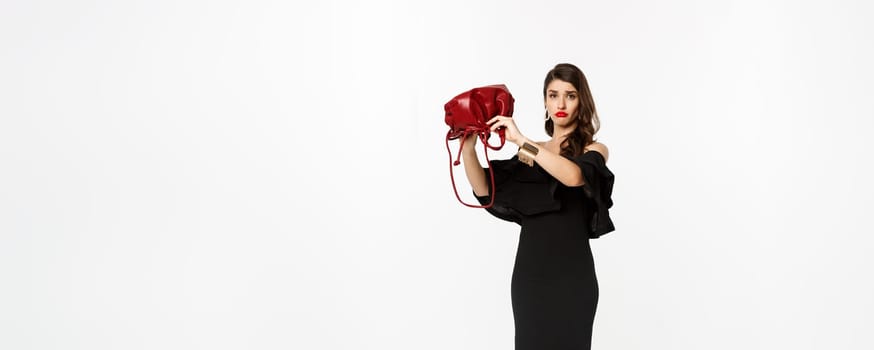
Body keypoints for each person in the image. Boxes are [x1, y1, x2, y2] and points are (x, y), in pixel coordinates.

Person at [459, 63, 615, 349]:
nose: (561, 103)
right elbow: (484, 189)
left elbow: (574, 176)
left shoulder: (594, 149)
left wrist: (522, 141)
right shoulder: (532, 151)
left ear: (582, 101)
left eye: (570, 95)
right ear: (545, 100)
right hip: (530, 278)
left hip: (573, 279)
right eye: (553, 95)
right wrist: (468, 145)